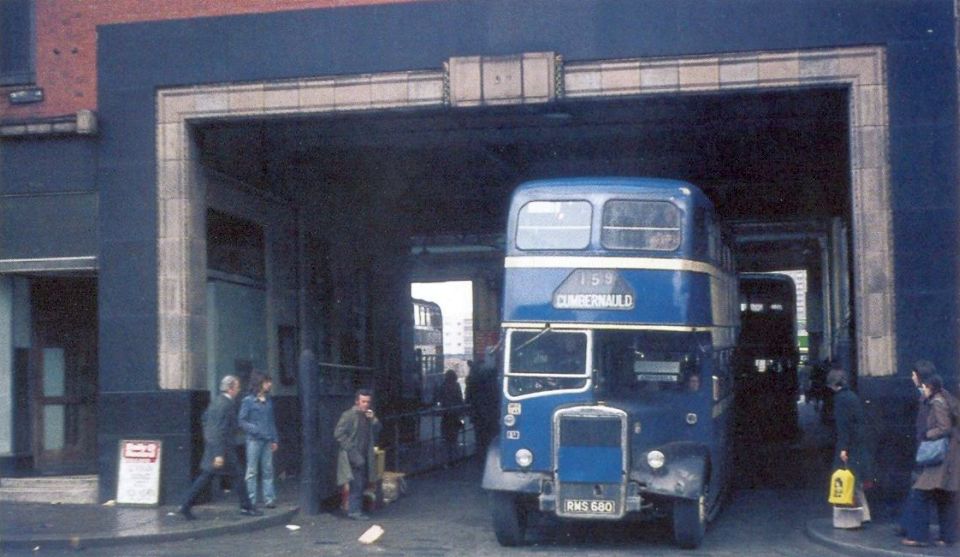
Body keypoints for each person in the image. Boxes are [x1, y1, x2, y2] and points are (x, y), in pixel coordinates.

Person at [179, 375, 261, 520]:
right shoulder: (226, 404)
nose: (239, 389)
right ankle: (246, 507)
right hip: (223, 450)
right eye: (237, 387)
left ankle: (186, 504)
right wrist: (218, 453)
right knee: (233, 476)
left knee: (208, 477)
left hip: (218, 448)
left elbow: (205, 420)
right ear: (230, 388)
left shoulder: (216, 402)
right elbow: (217, 430)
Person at [901, 374, 959, 547]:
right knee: (945, 495)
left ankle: (918, 536)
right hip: (950, 455)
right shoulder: (946, 397)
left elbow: (944, 427)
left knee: (920, 492)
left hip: (940, 456)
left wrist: (928, 434)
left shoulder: (937, 402)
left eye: (924, 387)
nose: (923, 390)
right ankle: (948, 537)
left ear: (930, 387)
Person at [827, 365, 872, 525]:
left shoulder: (840, 399)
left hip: (849, 445)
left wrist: (843, 448)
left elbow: (843, 426)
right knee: (855, 479)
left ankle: (851, 518)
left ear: (833, 384)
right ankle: (864, 514)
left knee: (847, 481)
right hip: (859, 443)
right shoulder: (852, 396)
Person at [335, 389, 381, 520]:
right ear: (357, 401)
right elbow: (338, 433)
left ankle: (354, 508)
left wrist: (373, 419)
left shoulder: (368, 416)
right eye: (363, 401)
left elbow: (378, 429)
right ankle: (354, 511)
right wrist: (350, 449)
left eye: (368, 402)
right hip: (353, 453)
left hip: (365, 453)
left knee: (362, 481)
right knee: (357, 482)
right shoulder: (349, 415)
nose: (366, 404)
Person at [239, 372, 279, 509]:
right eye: (267, 382)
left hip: (267, 440)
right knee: (252, 471)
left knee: (268, 470)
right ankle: (251, 499)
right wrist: (255, 429)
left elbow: (271, 420)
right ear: (260, 383)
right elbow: (242, 420)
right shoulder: (248, 401)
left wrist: (275, 439)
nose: (270, 384)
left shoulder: (268, 401)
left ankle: (269, 499)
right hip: (254, 440)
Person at [436, 369, 464, 466]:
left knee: (445, 437)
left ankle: (446, 460)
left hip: (446, 414)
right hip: (455, 414)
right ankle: (454, 460)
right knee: (454, 438)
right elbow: (460, 399)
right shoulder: (456, 386)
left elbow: (438, 398)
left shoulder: (442, 386)